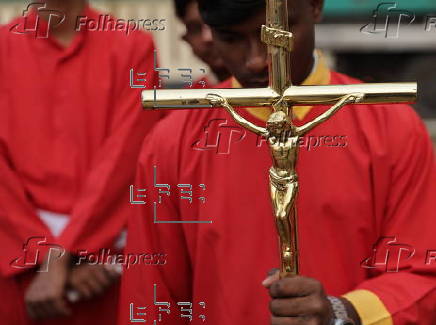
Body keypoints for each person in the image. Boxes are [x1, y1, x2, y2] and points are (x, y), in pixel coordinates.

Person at [119, 0, 436, 324]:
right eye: (230, 39)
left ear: (314, 6)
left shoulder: (390, 127)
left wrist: (342, 312)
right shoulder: (172, 142)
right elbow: (152, 295)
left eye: (275, 36)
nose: (257, 61)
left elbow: (421, 275)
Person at [0, 0, 163, 324]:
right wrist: (43, 255)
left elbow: (124, 157)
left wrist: (60, 257)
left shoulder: (132, 45)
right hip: (18, 262)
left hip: (103, 262)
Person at [174, 0, 230, 86]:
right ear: (186, 38)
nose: (207, 37)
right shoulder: (189, 97)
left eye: (216, 24)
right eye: (195, 28)